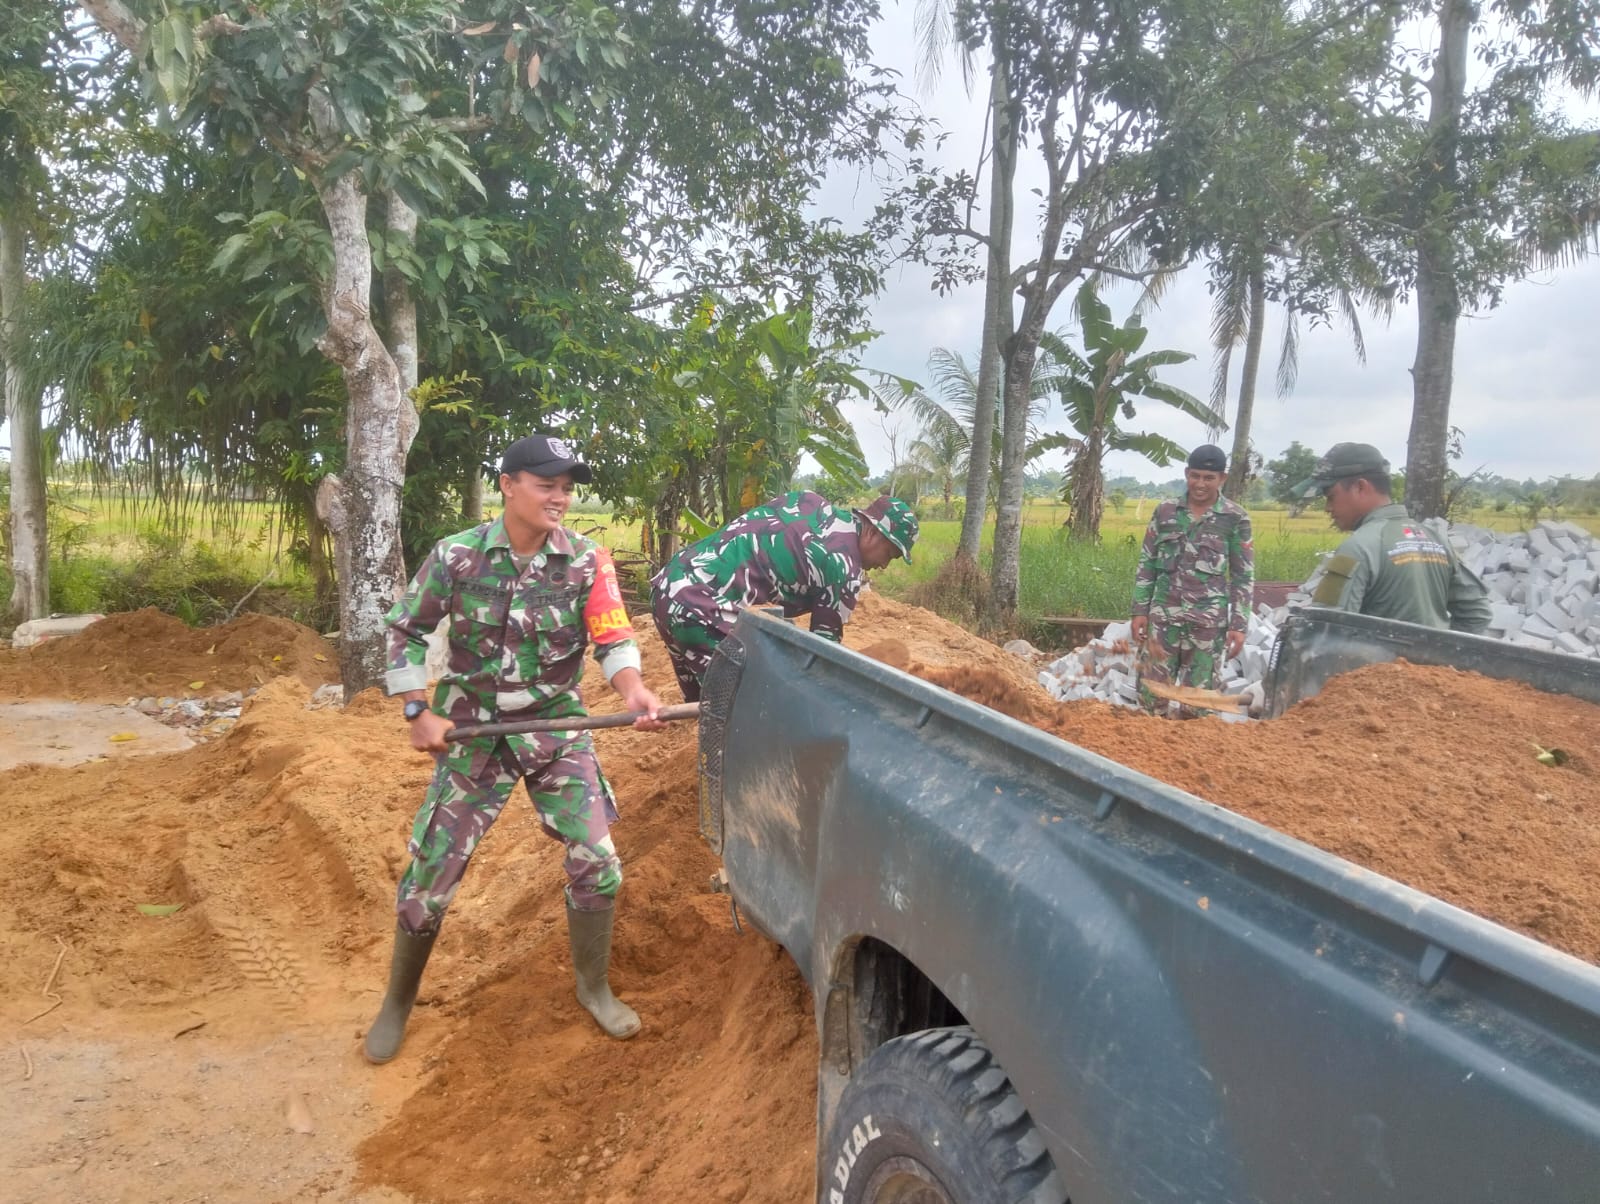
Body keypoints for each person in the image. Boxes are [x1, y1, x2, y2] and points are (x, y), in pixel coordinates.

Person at [366, 434, 667, 1065]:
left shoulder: (587, 562)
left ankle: (593, 986)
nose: (560, 496)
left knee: (598, 858)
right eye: (546, 483)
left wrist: (634, 688)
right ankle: (396, 1003)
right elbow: (405, 631)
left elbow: (613, 638)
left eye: (567, 486)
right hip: (473, 734)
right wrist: (417, 710)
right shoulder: (457, 557)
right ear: (508, 485)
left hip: (554, 730)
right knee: (431, 879)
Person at [650, 491, 919, 700]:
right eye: (890, 554)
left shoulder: (806, 501)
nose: (884, 565)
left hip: (667, 586)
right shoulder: (844, 567)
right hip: (701, 610)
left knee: (702, 701)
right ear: (873, 532)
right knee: (748, 704)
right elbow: (822, 656)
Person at [1295, 442, 1491, 632]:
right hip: (1435, 665)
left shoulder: (1358, 548)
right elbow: (1477, 614)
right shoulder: (1436, 539)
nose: (1328, 509)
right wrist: (1442, 656)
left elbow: (1328, 628)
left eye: (1331, 497)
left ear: (1360, 487)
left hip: (1379, 665)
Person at [1130, 444, 1255, 712]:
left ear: (1222, 478)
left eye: (1208, 478)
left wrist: (1239, 625)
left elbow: (1243, 576)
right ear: (1187, 474)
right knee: (1151, 696)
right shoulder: (1165, 512)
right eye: (1195, 475)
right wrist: (1139, 610)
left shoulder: (1235, 518)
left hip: (1207, 625)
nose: (1200, 484)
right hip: (1163, 621)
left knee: (1198, 704)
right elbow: (1147, 563)